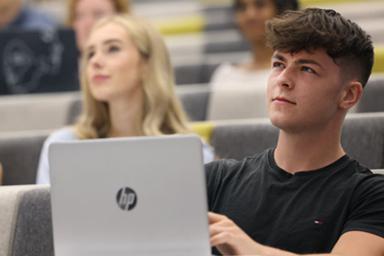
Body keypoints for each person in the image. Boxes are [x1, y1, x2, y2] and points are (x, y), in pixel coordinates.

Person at [207, 8, 384, 256]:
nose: (284, 79)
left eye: (306, 69)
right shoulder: (215, 179)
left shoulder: (371, 195)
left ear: (348, 95)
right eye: (279, 64)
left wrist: (251, 250)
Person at [36, 14, 214, 185]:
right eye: (90, 53)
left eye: (112, 49)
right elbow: (45, 216)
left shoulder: (191, 152)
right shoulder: (62, 146)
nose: (95, 62)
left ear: (146, 64)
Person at [208, 0, 299, 120]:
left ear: (282, 11)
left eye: (260, 5)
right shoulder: (224, 74)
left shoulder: (297, 74)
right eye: (242, 8)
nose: (250, 15)